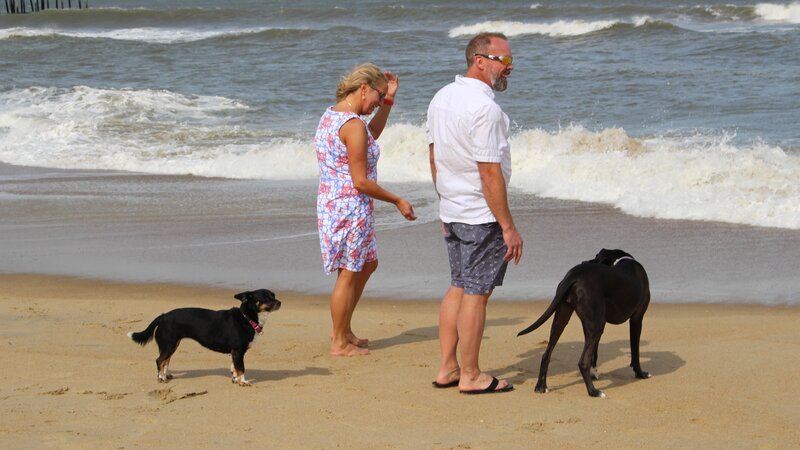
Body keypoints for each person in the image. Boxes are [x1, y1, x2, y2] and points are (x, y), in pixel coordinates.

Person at [426, 33, 523, 393]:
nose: (509, 69)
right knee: (476, 293)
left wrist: (443, 203)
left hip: (453, 208)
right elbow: (489, 172)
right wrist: (508, 227)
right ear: (480, 60)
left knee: (458, 286)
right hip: (480, 215)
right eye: (504, 61)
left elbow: (434, 158)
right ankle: (470, 374)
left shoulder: (442, 98)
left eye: (511, 62)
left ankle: (448, 368)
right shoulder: (486, 109)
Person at [315, 63, 416, 357]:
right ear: (363, 88)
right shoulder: (352, 124)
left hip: (335, 204)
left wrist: (389, 101)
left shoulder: (334, 115)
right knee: (349, 272)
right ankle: (338, 341)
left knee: (366, 264)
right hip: (348, 207)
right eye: (378, 96)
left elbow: (370, 134)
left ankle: (344, 329)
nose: (377, 103)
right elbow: (360, 181)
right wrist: (397, 200)